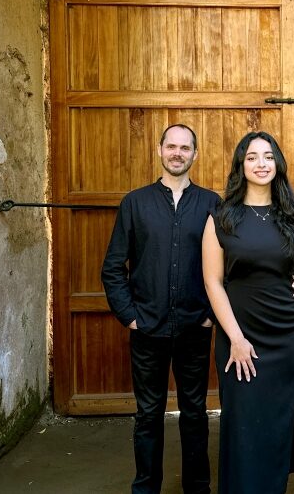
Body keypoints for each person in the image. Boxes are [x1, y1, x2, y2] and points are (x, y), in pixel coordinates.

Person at [101, 124, 219, 494]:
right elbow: (113, 267)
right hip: (148, 328)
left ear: (195, 154)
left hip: (194, 326)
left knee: (195, 412)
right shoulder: (135, 203)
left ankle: (197, 487)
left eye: (185, 148)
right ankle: (146, 488)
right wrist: (130, 317)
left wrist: (210, 315)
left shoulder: (212, 204)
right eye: (171, 146)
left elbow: (227, 266)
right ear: (159, 150)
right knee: (149, 414)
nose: (177, 153)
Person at [201, 131, 294, 494]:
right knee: (244, 424)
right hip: (241, 336)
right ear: (241, 166)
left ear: (277, 164)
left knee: (278, 425)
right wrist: (235, 338)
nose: (261, 164)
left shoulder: (292, 215)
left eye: (268, 156)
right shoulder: (221, 217)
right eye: (252, 157)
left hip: (286, 336)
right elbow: (213, 282)